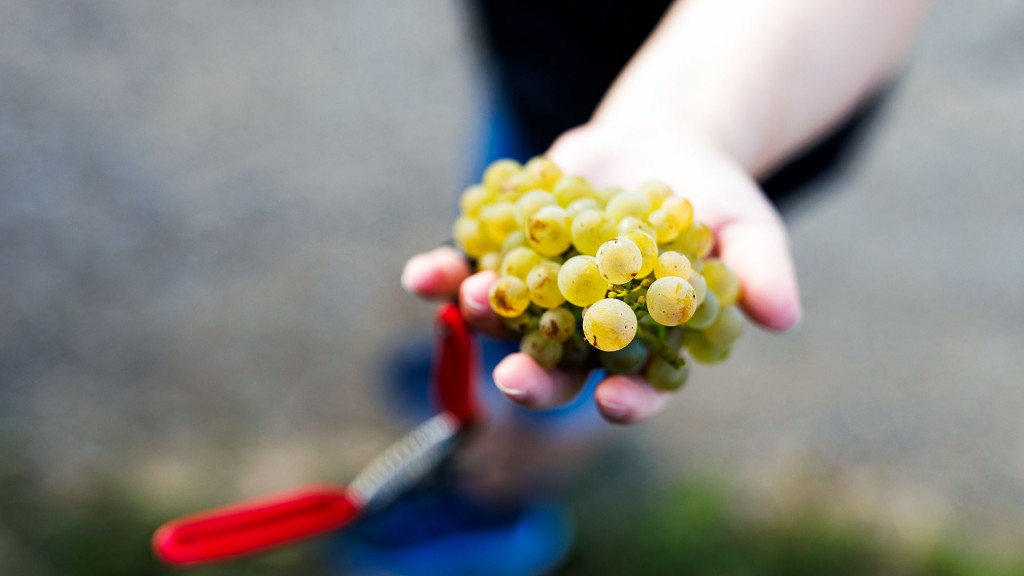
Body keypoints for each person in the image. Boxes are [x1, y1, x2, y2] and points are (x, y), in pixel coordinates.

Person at [344, 0, 930, 573]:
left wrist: (685, 126)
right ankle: (479, 386)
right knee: (495, 275)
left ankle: (496, 508)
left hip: (752, 98)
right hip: (547, 87)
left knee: (562, 384)